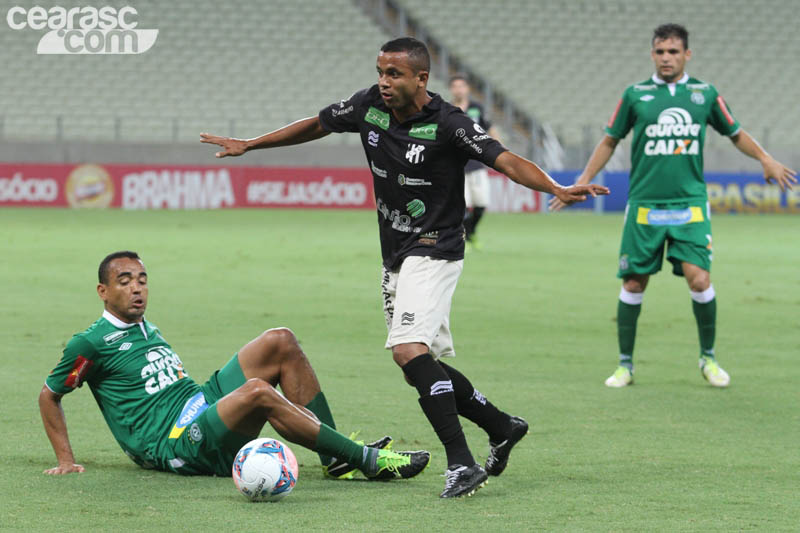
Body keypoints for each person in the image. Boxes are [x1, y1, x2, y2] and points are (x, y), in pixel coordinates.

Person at [201, 37, 608, 498]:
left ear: (421, 79)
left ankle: (462, 464)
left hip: (436, 248)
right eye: (380, 71)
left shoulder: (450, 123)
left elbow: (506, 160)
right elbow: (316, 124)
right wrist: (250, 145)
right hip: (395, 252)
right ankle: (500, 426)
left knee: (407, 349)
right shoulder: (369, 106)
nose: (383, 81)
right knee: (417, 363)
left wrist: (557, 185)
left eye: (394, 74)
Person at [39, 251, 430, 481]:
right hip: (173, 443)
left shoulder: (143, 326)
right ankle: (367, 461)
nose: (137, 288)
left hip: (195, 404)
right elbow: (50, 395)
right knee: (258, 392)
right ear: (103, 292)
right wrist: (65, 461)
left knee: (281, 340)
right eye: (124, 281)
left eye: (142, 279)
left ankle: (335, 457)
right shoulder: (89, 343)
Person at [550, 24, 796, 388]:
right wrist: (582, 179)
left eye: (674, 52)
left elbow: (736, 134)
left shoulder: (705, 94)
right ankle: (625, 365)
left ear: (687, 55)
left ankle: (708, 359)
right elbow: (609, 141)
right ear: (653, 54)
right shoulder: (635, 95)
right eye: (661, 51)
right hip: (644, 205)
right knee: (633, 283)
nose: (667, 58)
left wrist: (765, 158)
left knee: (700, 279)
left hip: (690, 205)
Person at [449, 73, 501, 249]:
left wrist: (498, 151)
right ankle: (462, 239)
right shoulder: (446, 109)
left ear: (467, 89)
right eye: (455, 86)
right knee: (463, 205)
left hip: (476, 164)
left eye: (461, 86)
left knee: (481, 204)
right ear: (451, 90)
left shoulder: (476, 108)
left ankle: (470, 233)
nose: (458, 89)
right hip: (456, 165)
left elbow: (491, 129)